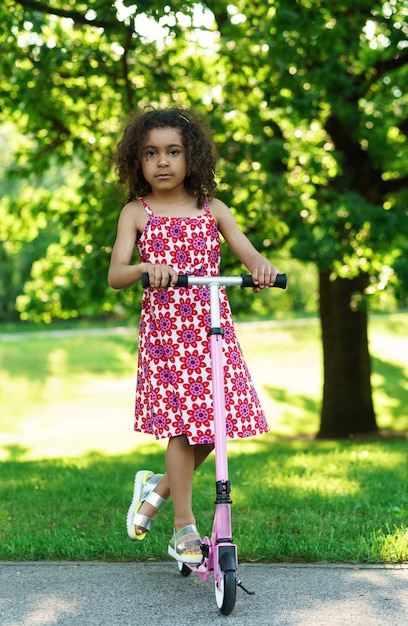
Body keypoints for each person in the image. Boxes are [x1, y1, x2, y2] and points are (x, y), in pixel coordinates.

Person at [108, 106, 280, 564]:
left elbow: (251, 255)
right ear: (137, 161)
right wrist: (147, 267)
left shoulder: (213, 210)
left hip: (210, 330)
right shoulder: (137, 213)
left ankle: (156, 489)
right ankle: (184, 526)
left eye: (172, 152)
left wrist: (262, 270)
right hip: (168, 338)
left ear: (192, 158)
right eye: (150, 153)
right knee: (185, 428)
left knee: (216, 424)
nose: (162, 162)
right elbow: (116, 274)